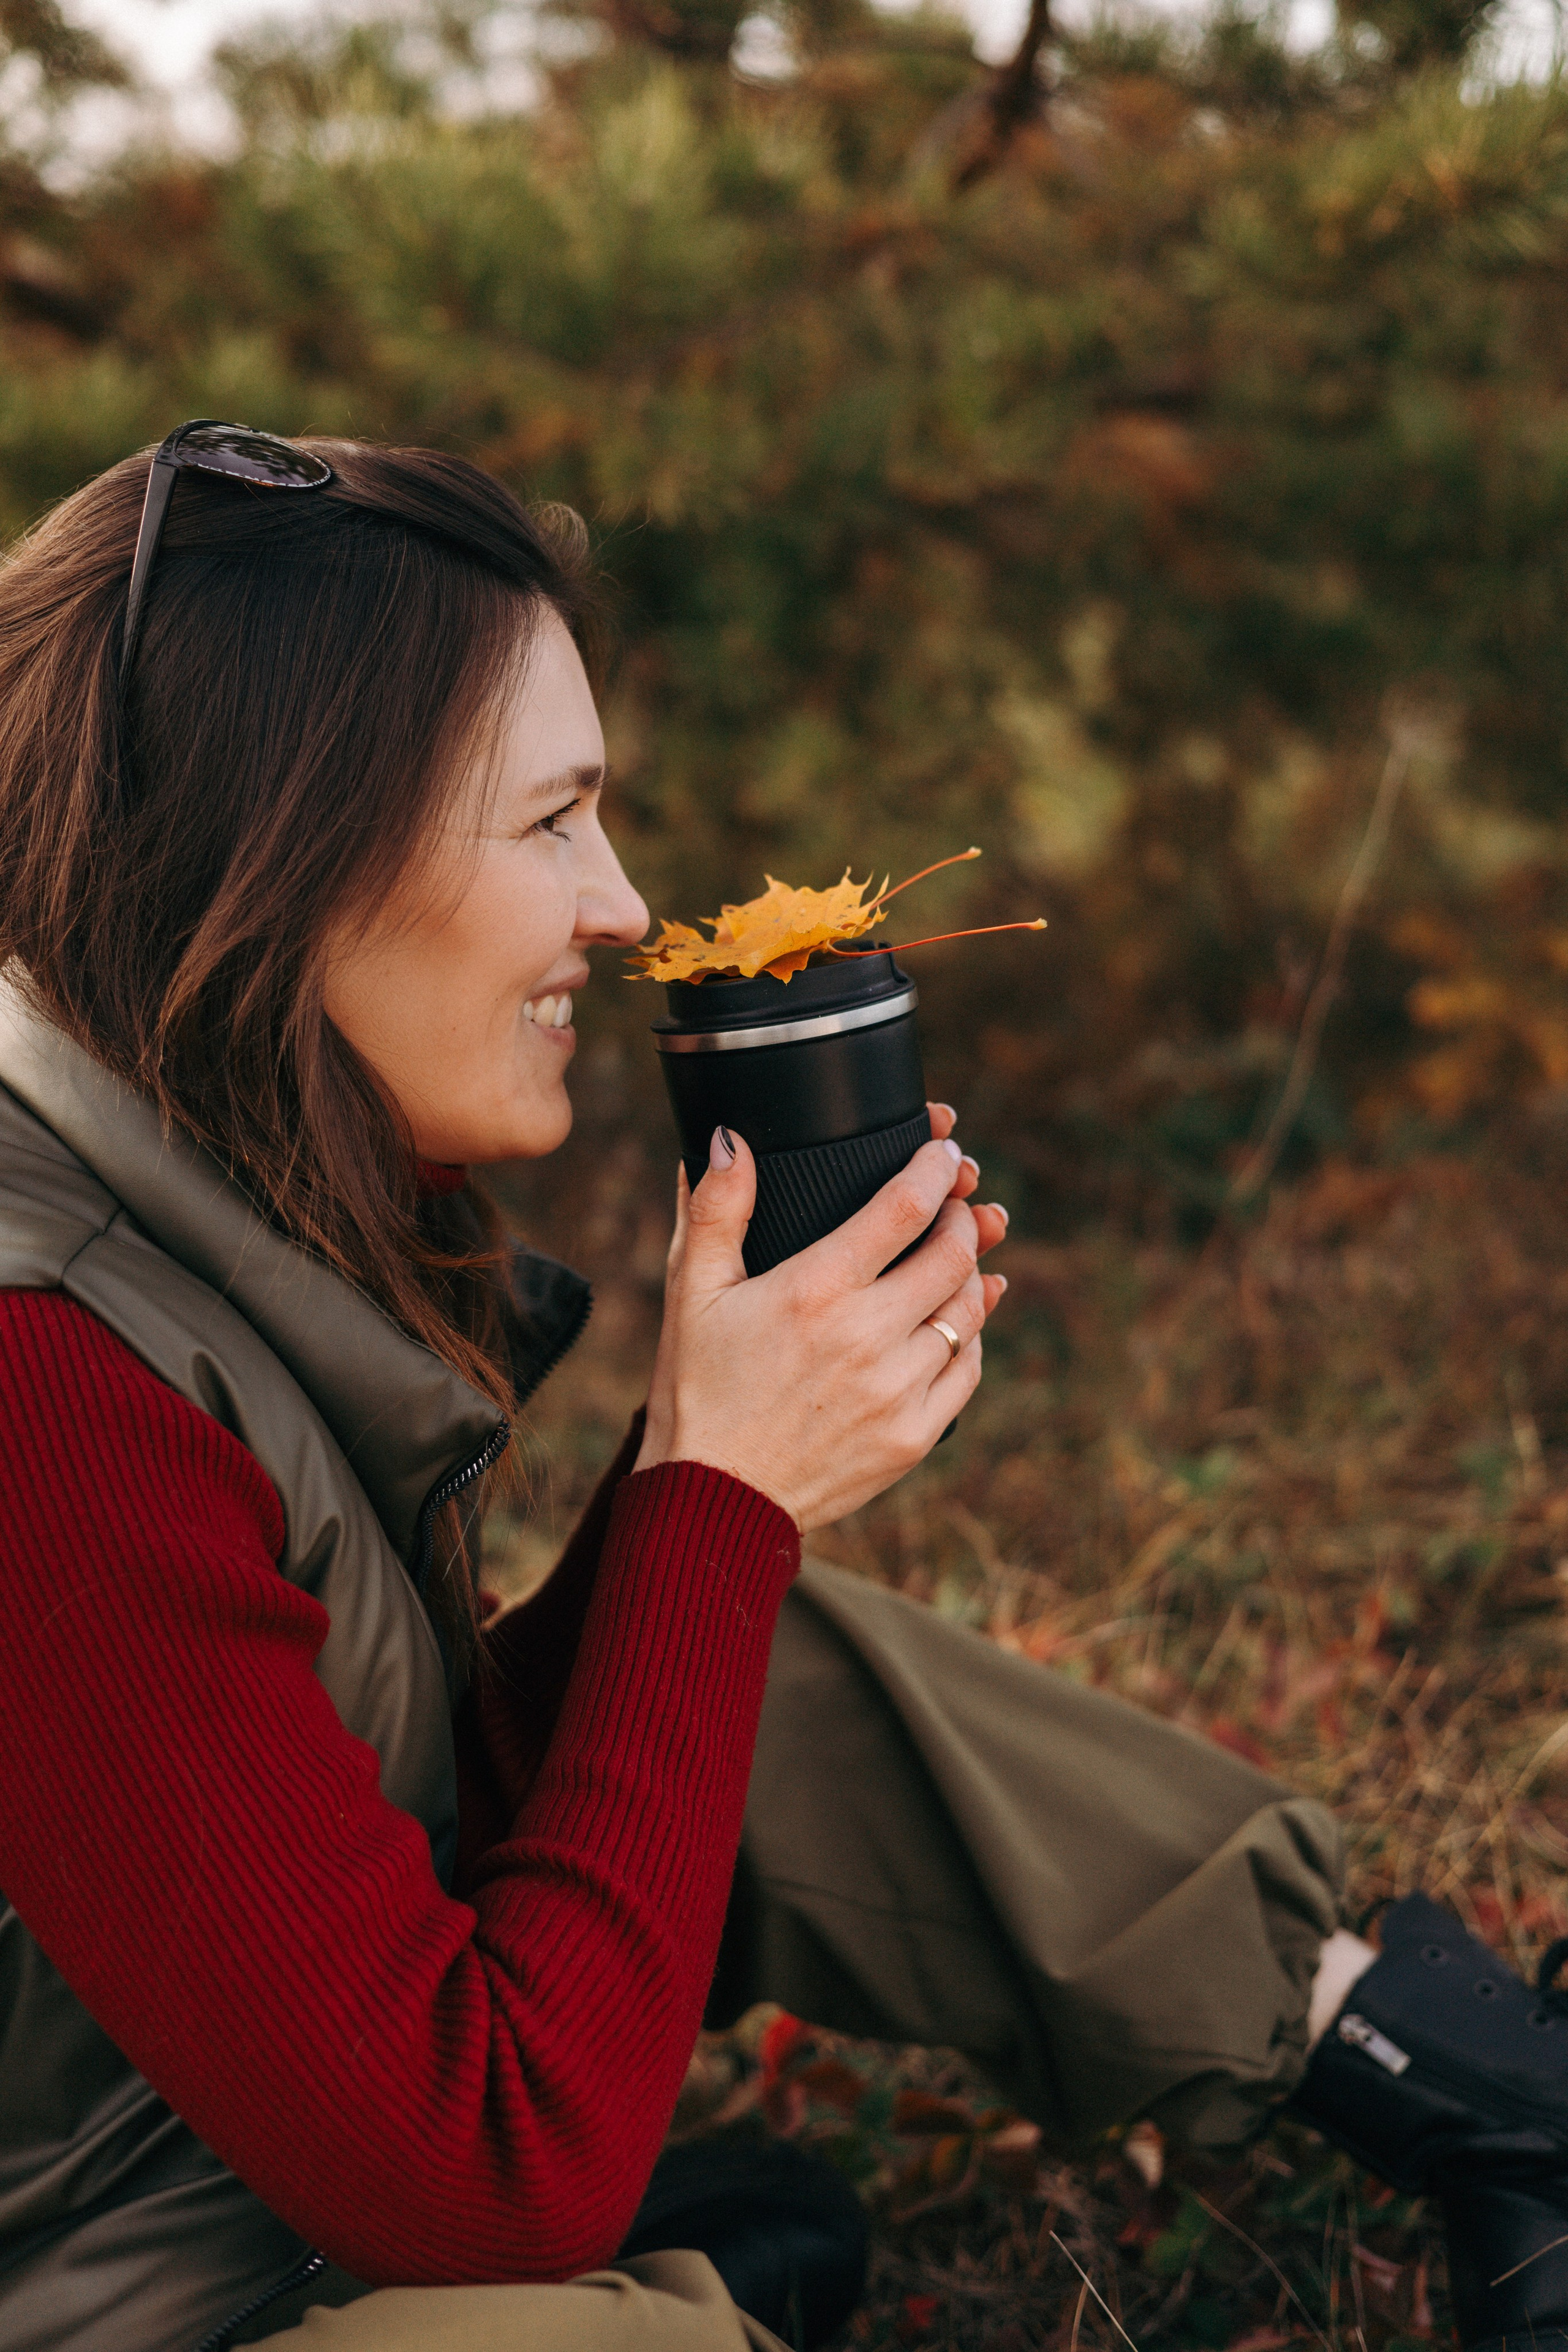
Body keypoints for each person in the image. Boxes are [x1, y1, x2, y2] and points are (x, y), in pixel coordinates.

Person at [0, 426, 1562, 2352]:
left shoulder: (203, 1182)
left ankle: (1487, 2094)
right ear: (291, 846)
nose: (626, 909)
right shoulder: (33, 1375)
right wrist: (713, 1496)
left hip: (227, 2150)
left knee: (751, 1660)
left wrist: (707, 1500)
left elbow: (325, 1824)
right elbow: (482, 2173)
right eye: (553, 820)